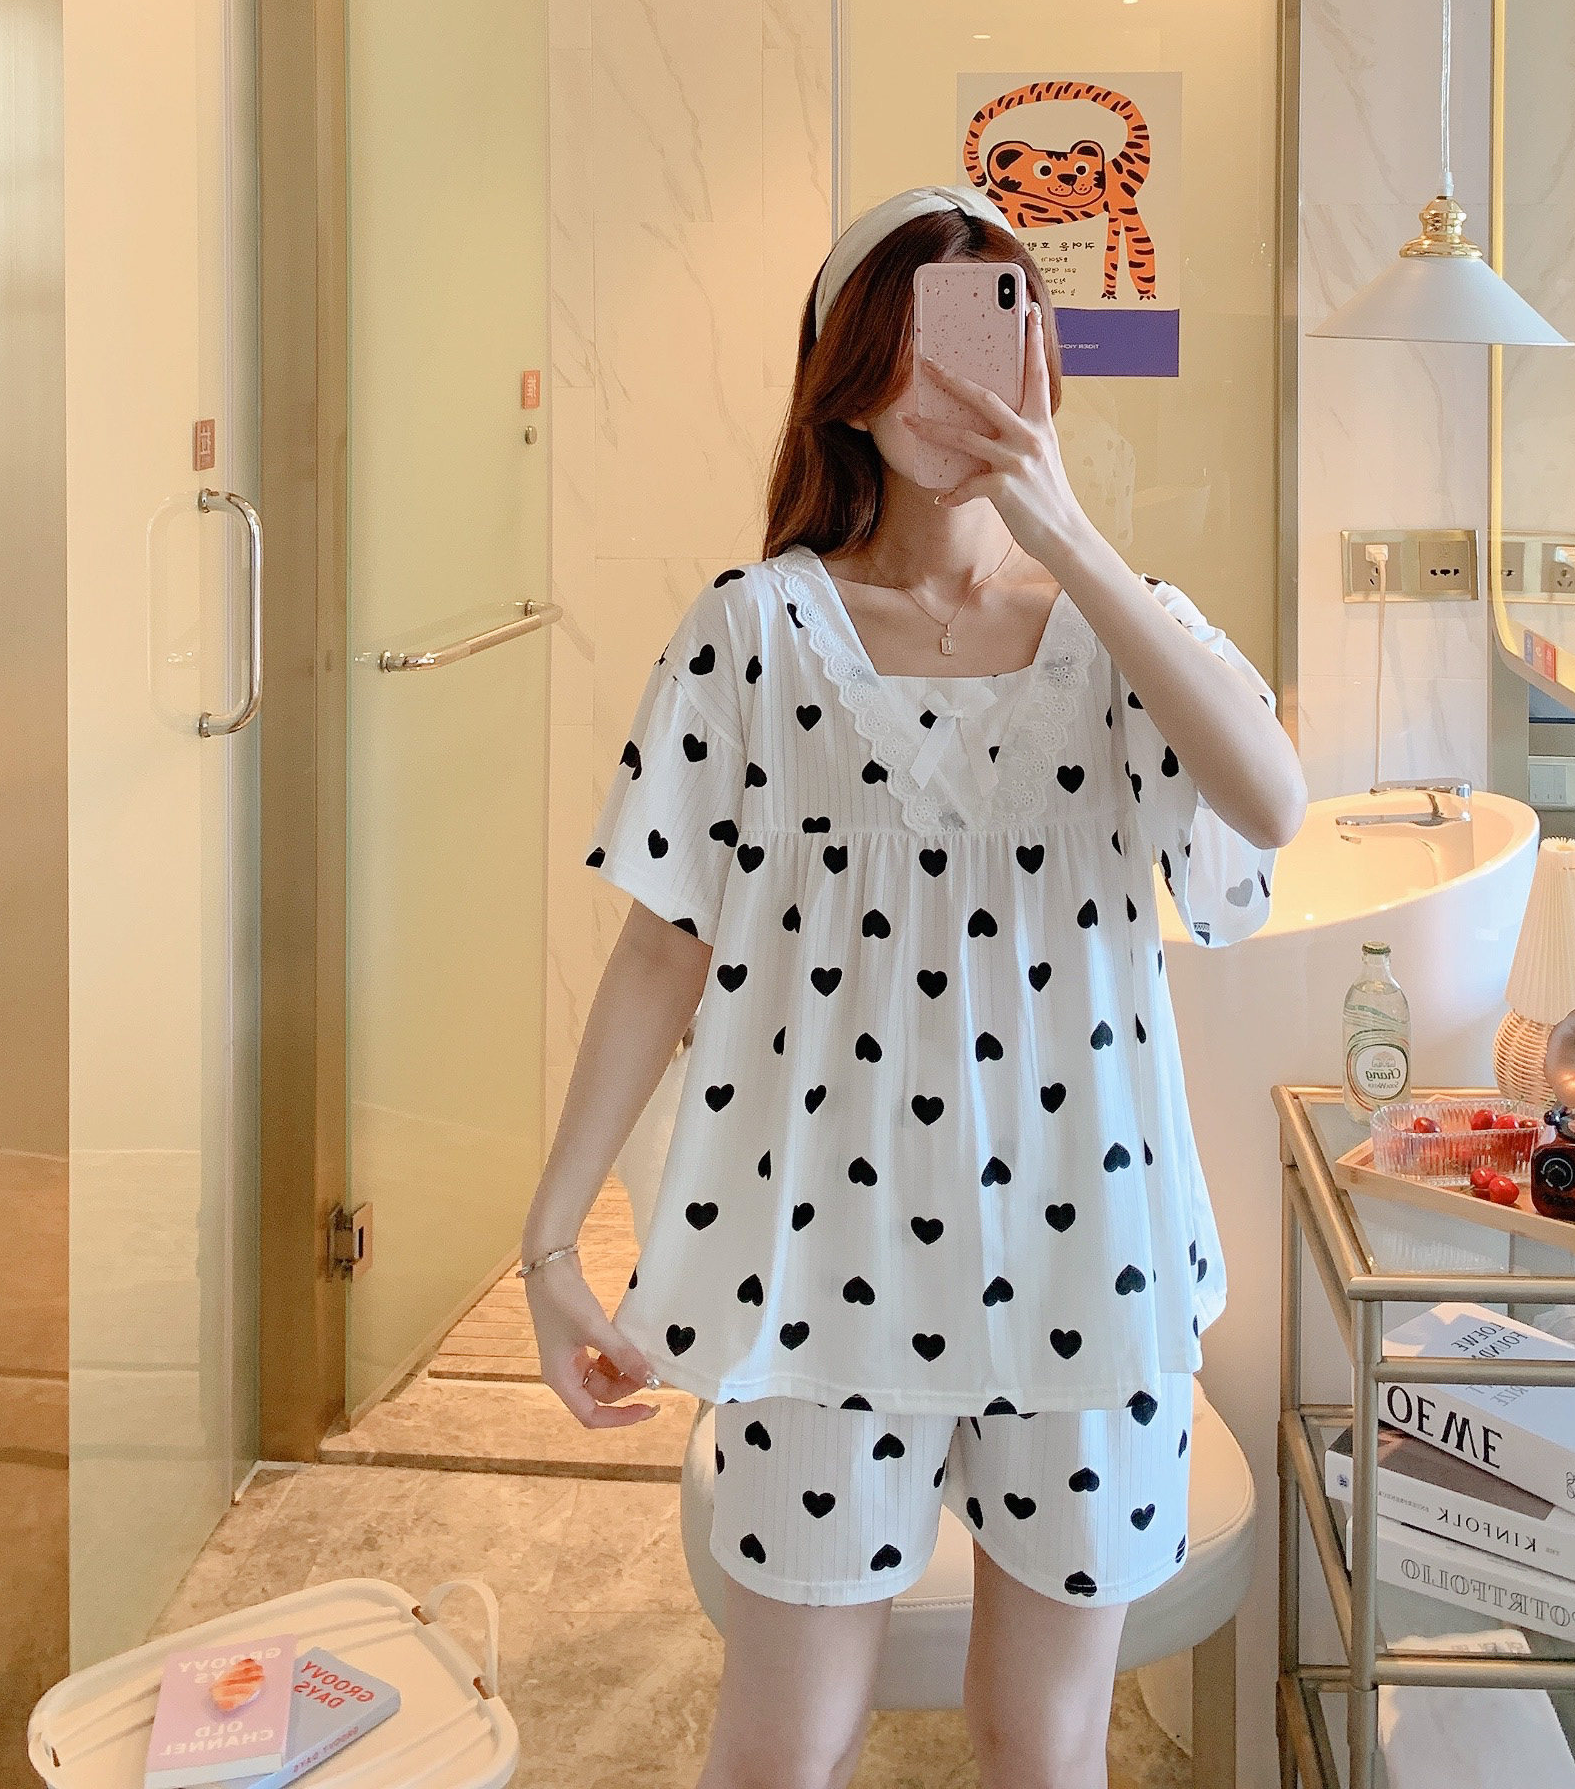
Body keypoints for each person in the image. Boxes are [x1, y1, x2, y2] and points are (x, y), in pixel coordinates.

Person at [521, 185, 1307, 1789]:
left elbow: (1270, 804)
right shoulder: (754, 634)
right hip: (824, 1266)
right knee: (779, 1747)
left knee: (1043, 1747)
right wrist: (548, 1238)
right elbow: (663, 944)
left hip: (1086, 1262)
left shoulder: (1120, 633)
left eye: (999, 327)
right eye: (919, 338)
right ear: (850, 377)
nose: (960, 379)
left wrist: (1067, 534)